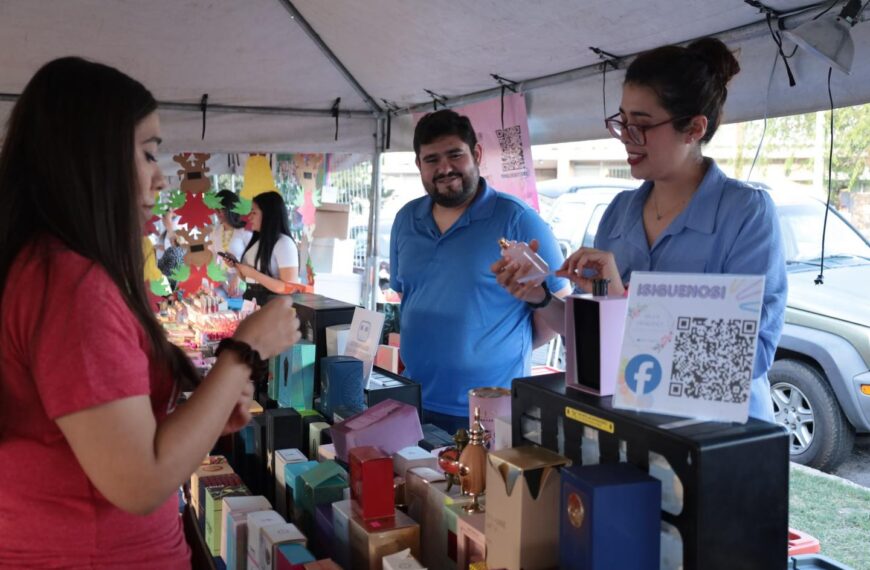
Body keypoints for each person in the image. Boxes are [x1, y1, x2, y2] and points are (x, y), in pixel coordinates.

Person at [0, 57, 301, 568]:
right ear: (89, 158)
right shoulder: (71, 287)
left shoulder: (43, 266)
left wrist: (211, 398)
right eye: (147, 154)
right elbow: (140, 480)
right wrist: (243, 352)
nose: (160, 181)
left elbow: (122, 436)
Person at [494, 38, 787, 422]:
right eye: (623, 122)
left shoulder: (746, 214)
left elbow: (747, 360)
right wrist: (539, 297)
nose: (626, 138)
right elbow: (597, 342)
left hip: (718, 440)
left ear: (694, 128)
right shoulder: (619, 213)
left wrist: (622, 301)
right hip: (634, 428)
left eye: (643, 126)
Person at [390, 109, 572, 433]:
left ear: (476, 154)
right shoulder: (405, 220)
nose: (444, 168)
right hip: (413, 400)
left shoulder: (517, 220)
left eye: (455, 155)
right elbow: (409, 294)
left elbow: (559, 308)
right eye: (431, 159)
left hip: (491, 409)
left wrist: (502, 346)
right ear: (418, 165)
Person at [227, 191, 300, 306]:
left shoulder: (284, 243)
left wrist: (254, 274)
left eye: (254, 212)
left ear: (268, 214)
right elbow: (248, 278)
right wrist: (237, 266)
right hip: (252, 304)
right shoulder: (257, 240)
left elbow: (289, 287)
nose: (249, 217)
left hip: (273, 310)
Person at [210, 189, 252, 297]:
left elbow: (252, 259)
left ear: (230, 209)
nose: (217, 213)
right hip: (222, 280)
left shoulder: (244, 230)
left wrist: (238, 276)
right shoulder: (216, 231)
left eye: (221, 210)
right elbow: (212, 256)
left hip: (244, 280)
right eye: (216, 210)